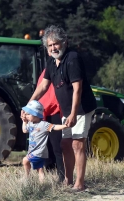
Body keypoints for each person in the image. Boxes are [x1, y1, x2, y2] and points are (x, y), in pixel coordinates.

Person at [27, 25, 97, 191]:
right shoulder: (51, 62)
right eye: (50, 46)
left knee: (77, 144)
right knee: (65, 144)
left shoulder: (72, 59)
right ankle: (68, 179)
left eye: (56, 44)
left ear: (64, 42)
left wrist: (73, 113)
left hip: (81, 108)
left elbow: (77, 89)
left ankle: (80, 183)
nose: (53, 48)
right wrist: (29, 104)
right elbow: (43, 86)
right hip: (67, 110)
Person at [21, 100, 67, 182]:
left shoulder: (44, 124)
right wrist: (24, 122)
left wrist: (65, 126)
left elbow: (55, 127)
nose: (26, 116)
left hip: (39, 151)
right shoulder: (30, 124)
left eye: (28, 114)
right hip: (32, 150)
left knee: (25, 160)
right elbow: (24, 130)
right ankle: (42, 184)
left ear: (36, 114)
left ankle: (27, 177)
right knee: (40, 170)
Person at [37, 68, 65, 183]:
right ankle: (53, 174)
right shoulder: (48, 71)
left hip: (53, 110)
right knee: (50, 146)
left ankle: (62, 176)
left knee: (56, 147)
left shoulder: (58, 70)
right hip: (47, 110)